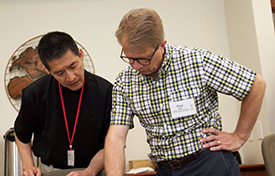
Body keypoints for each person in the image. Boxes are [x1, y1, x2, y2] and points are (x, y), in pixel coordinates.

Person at [104, 8, 266, 176]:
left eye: (143, 59)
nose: (136, 66)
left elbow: (256, 84)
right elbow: (116, 136)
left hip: (208, 163)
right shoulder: (125, 81)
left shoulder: (196, 62)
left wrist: (239, 136)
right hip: (165, 169)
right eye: (130, 58)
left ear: (162, 45)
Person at [14, 31, 113, 176]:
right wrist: (28, 166)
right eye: (60, 73)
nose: (71, 77)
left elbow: (112, 142)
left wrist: (89, 172)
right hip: (51, 170)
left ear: (80, 55)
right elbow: (22, 134)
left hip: (95, 169)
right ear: (47, 70)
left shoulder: (105, 91)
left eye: (73, 66)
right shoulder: (35, 93)